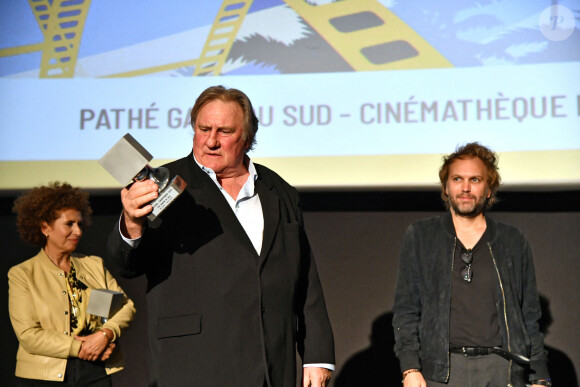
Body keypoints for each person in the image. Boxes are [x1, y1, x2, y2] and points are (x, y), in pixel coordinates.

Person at [107, 85, 335, 387]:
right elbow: (127, 264)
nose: (211, 141)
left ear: (248, 137)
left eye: (224, 131)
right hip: (195, 363)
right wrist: (132, 223)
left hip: (270, 364)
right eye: (203, 129)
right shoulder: (162, 186)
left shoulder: (279, 191)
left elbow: (303, 277)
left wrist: (317, 354)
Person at [392, 143, 551, 387]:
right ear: (446, 186)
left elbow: (529, 314)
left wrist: (539, 375)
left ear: (489, 189)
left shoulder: (512, 240)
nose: (465, 187)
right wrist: (409, 368)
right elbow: (406, 309)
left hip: (502, 369)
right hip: (441, 371)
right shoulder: (421, 236)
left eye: (475, 179)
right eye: (457, 178)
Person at [8, 182, 136, 386]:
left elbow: (125, 307)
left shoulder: (93, 265)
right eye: (69, 224)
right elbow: (28, 335)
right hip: (44, 375)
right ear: (44, 227)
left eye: (80, 224)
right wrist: (82, 347)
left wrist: (105, 335)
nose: (77, 231)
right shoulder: (23, 274)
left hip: (96, 371)